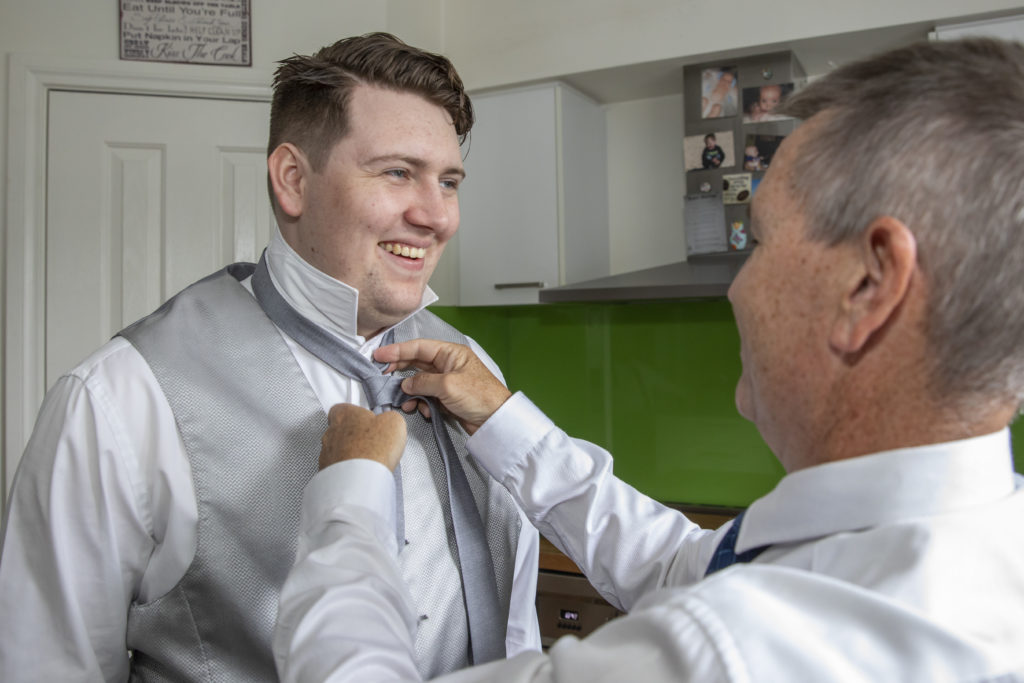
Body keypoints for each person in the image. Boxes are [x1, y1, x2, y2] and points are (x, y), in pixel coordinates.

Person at [272, 37, 1024, 681]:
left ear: (871, 283)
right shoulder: (979, 544)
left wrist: (350, 493)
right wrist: (505, 421)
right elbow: (679, 563)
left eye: (758, 244)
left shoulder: (742, 649)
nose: (737, 290)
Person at [0, 33, 540, 681]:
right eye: (398, 171)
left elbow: (516, 621)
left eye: (448, 180)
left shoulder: (474, 371)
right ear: (292, 181)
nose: (437, 216)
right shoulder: (118, 400)